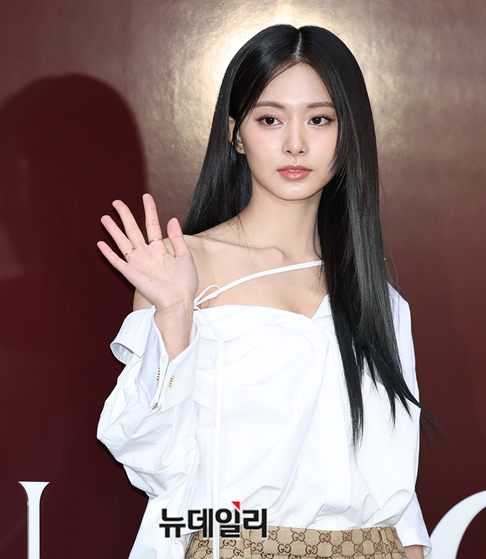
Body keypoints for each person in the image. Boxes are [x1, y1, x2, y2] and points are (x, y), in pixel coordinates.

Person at [97, 24, 434, 559]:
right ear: (236, 134)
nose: (295, 143)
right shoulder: (186, 270)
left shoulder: (378, 298)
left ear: (348, 134)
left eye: (319, 119)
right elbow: (155, 464)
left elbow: (394, 491)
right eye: (270, 119)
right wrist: (175, 312)